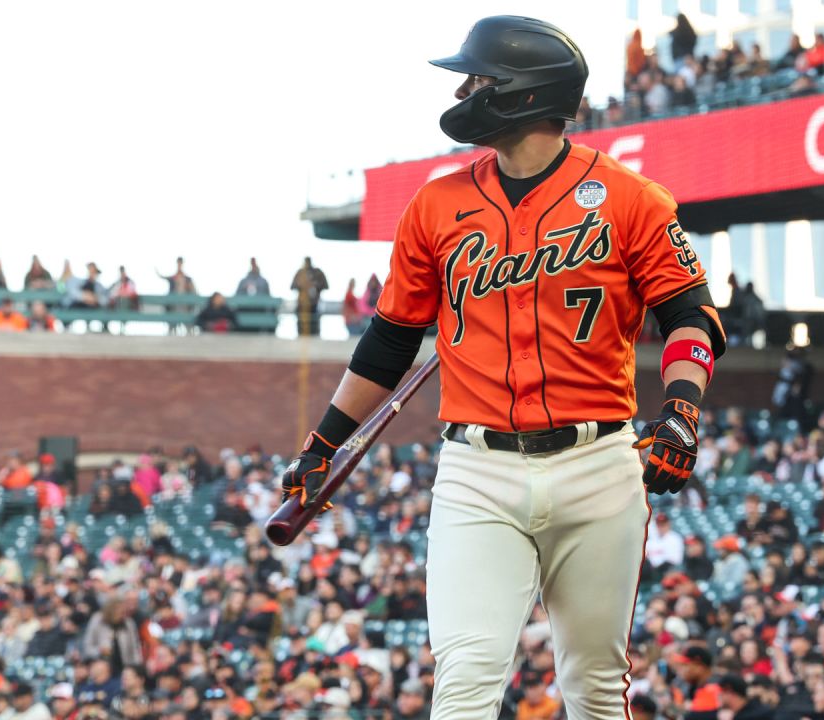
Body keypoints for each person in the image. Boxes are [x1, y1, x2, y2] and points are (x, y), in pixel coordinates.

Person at [278, 15, 724, 719]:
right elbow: (390, 342)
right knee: (465, 681)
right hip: (476, 469)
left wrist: (681, 411)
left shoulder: (632, 198)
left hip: (598, 462)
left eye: (477, 78)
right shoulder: (438, 204)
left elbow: (691, 318)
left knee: (595, 688)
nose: (462, 91)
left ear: (522, 93)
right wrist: (323, 442)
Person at [291, 256, 328, 337]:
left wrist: (315, 285)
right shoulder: (300, 273)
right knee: (301, 327)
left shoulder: (317, 273)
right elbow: (293, 286)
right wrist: (302, 285)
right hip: (302, 305)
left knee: (314, 328)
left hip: (314, 304)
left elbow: (325, 285)